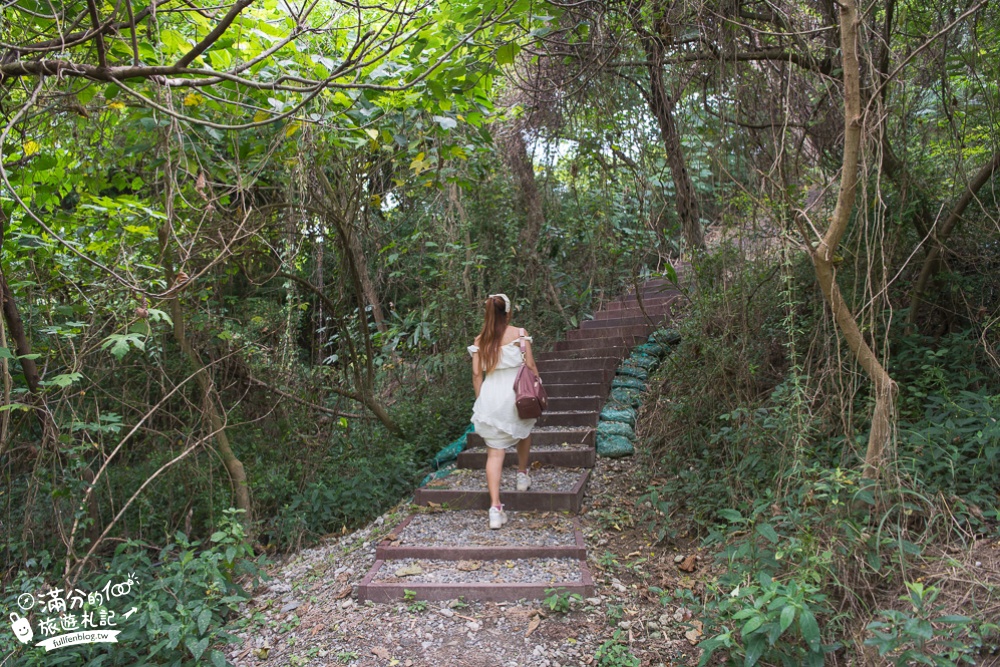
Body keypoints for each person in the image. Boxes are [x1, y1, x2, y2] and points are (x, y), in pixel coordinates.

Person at [467, 293, 539, 529]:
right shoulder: (519, 333)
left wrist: (482, 401)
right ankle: (521, 474)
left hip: (491, 395)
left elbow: (477, 375)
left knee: (494, 453)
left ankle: (495, 509)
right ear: (508, 312)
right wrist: (537, 384)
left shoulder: (480, 341)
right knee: (524, 430)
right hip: (516, 392)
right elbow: (529, 365)